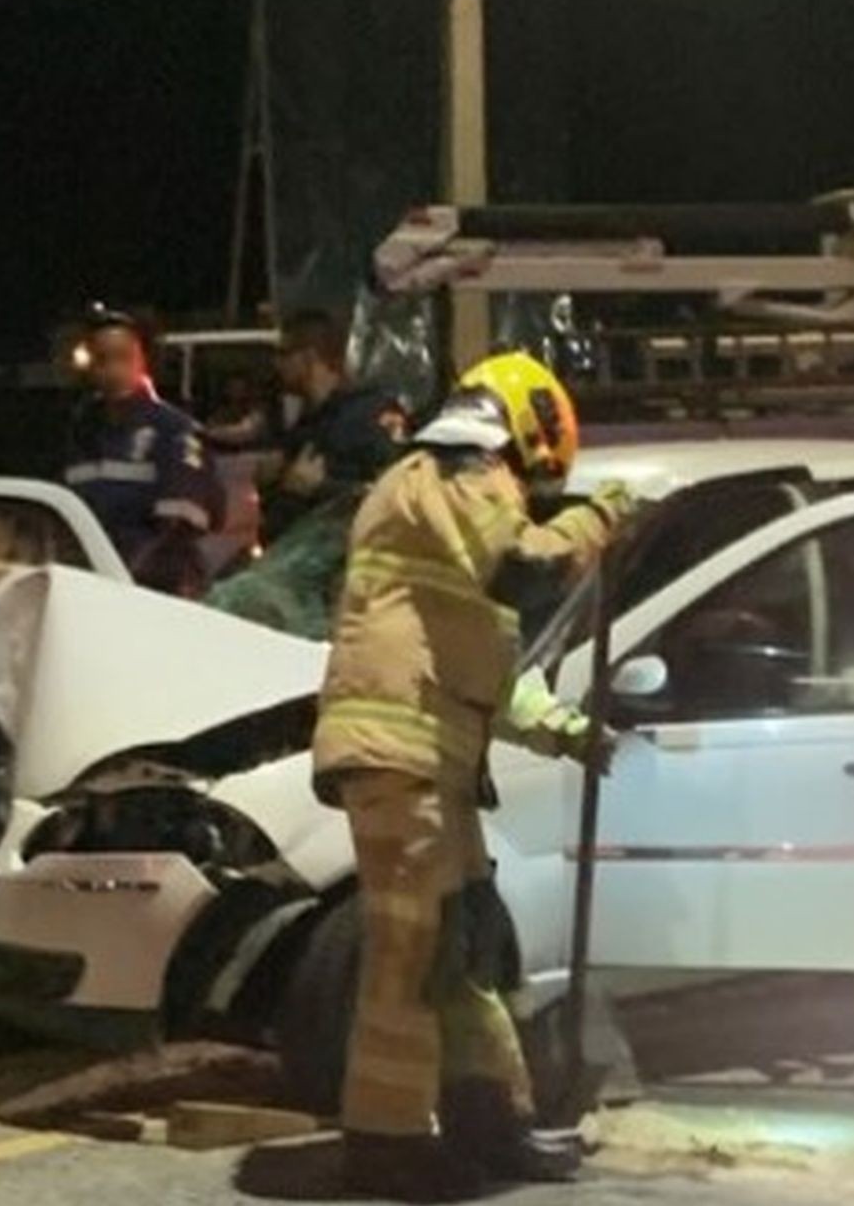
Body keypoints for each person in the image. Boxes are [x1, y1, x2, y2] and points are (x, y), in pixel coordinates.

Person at [314, 353, 637, 1202]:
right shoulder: (459, 467)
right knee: (411, 949)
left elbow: (482, 660)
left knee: (467, 948)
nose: (532, 485)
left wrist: (568, 731)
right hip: (399, 753)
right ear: (524, 426)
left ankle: (488, 1123)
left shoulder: (446, 491)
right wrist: (599, 519)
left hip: (430, 761)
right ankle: (384, 1141)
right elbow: (525, 568)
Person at [64, 309, 223, 597]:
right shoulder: (80, 432)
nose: (113, 370)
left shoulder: (175, 430)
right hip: (91, 588)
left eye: (124, 358)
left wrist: (122, 580)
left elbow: (177, 528)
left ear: (144, 361)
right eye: (102, 359)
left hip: (158, 591)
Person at [261, 309, 409, 542]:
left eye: (284, 354)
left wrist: (322, 487)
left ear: (309, 357)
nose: (276, 364)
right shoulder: (304, 425)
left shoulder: (369, 413)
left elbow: (398, 496)